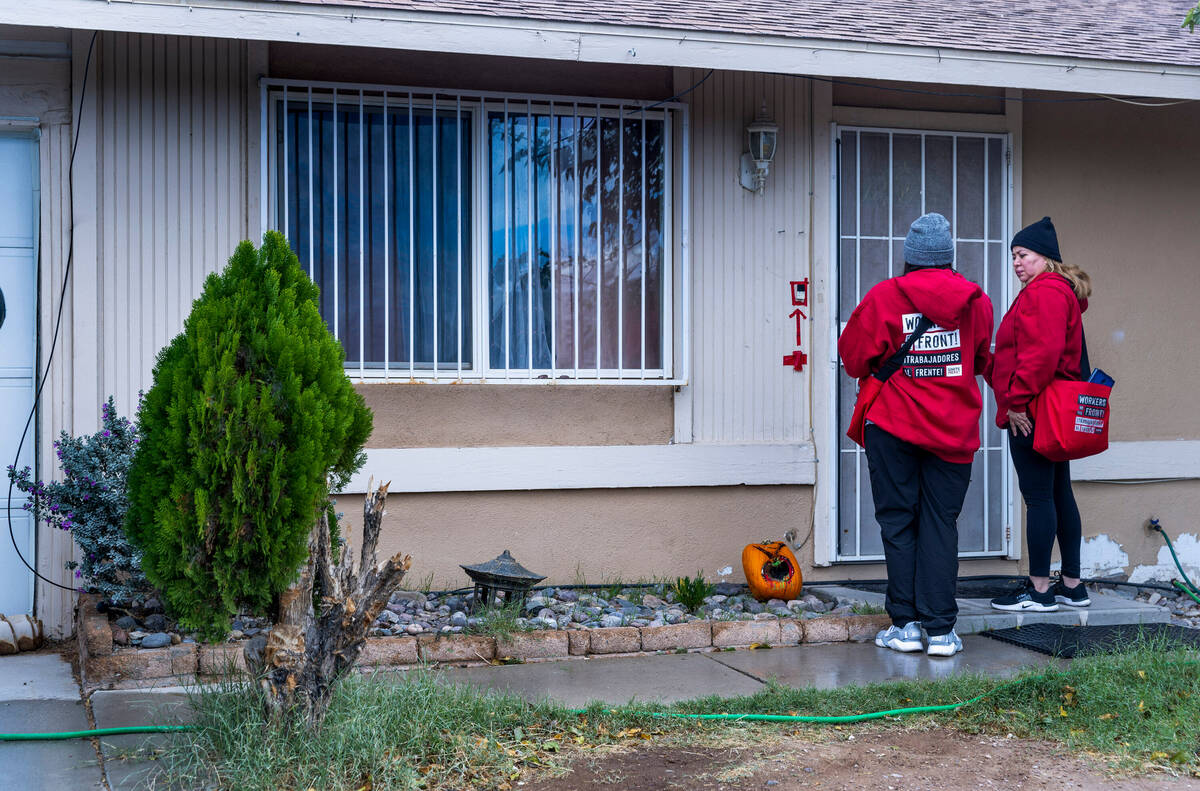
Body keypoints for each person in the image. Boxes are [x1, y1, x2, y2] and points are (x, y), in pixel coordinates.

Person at [839, 213, 994, 657]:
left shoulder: (884, 297)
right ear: (949, 259)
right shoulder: (976, 301)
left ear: (909, 259)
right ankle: (942, 632)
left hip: (893, 425)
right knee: (941, 524)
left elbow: (853, 358)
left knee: (898, 522)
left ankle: (905, 626)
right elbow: (984, 357)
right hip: (954, 430)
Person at [987, 217, 1092, 612]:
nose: (1016, 263)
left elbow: (1041, 355)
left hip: (1034, 411)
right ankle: (1072, 585)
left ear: (1045, 259)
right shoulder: (1056, 290)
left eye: (1023, 255)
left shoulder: (1045, 292)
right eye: (1013, 255)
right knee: (1059, 493)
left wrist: (1015, 401)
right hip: (1054, 411)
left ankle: (1040, 590)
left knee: (1038, 497)